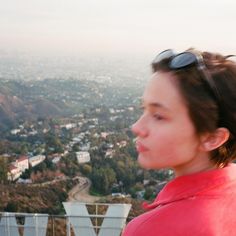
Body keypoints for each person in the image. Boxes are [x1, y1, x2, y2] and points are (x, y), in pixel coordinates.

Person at [122, 48, 236, 236]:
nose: (137, 127)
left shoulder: (152, 229)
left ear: (212, 138)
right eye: (144, 109)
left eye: (159, 116)